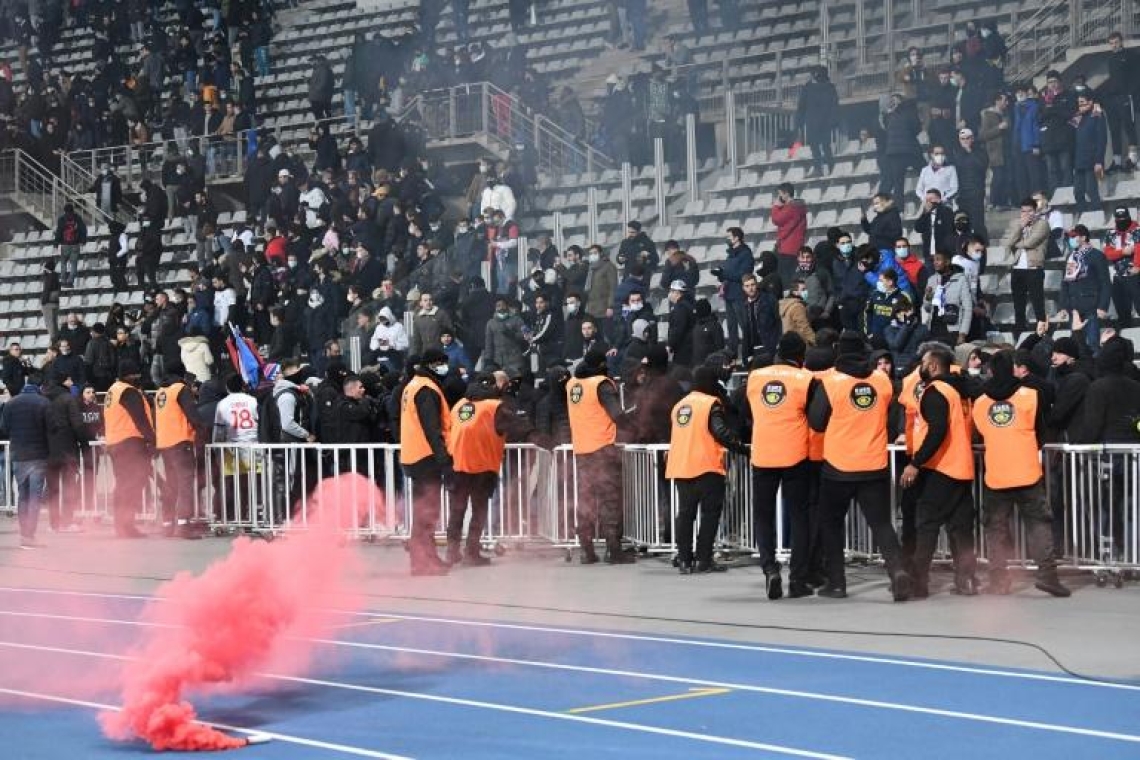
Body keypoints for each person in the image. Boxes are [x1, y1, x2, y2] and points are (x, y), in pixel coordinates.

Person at [808, 331, 913, 601]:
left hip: (838, 467)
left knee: (831, 524)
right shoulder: (882, 381)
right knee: (881, 525)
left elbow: (817, 422)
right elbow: (889, 413)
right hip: (874, 465)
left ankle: (837, 583)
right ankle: (898, 572)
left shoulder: (831, 382)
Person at [972, 351, 1070, 597]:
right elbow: (1041, 432)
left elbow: (983, 432)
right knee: (1038, 525)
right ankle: (1047, 576)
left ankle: (999, 581)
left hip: (996, 473)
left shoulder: (981, 402)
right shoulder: (1031, 396)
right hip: (1027, 472)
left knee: (996, 528)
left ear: (992, 371)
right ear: (1013, 369)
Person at [899, 347, 978, 597]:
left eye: (923, 362)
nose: (919, 366)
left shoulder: (935, 392)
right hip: (962, 468)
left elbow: (937, 431)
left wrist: (916, 462)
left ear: (933, 366)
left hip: (941, 468)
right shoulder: (960, 390)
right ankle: (967, 579)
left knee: (926, 525)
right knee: (961, 527)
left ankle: (918, 582)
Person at [746, 332, 819, 598]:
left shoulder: (755, 377)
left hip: (763, 454)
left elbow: (744, 410)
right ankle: (798, 579)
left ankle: (770, 569)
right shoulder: (806, 379)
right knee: (799, 517)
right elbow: (818, 416)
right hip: (795, 455)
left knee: (763, 516)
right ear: (801, 356)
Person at [667, 365, 748, 574]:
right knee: (710, 514)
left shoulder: (679, 405)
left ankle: (684, 559)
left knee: (685, 515)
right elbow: (720, 431)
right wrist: (741, 448)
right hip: (706, 466)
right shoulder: (710, 404)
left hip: (681, 467)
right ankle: (704, 559)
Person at [566, 347, 632, 564]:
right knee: (609, 500)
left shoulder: (573, 385)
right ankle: (614, 550)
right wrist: (633, 424)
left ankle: (586, 551)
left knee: (585, 500)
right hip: (603, 448)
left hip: (582, 449)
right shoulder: (601, 384)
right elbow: (616, 414)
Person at [399, 350, 454, 575]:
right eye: (441, 363)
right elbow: (432, 429)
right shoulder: (426, 390)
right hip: (426, 457)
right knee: (427, 511)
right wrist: (445, 461)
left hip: (414, 455)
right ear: (432, 364)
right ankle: (423, 561)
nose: (444, 367)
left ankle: (426, 557)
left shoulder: (413, 385)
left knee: (424, 510)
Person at [0, 370, 50, 548]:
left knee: (23, 496)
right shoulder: (44, 403)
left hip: (18, 456)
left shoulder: (11, 403)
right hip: (38, 455)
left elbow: (4, 429)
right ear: (40, 386)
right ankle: (30, 536)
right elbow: (50, 430)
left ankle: (24, 535)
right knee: (35, 497)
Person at [104, 362, 154, 538]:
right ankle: (126, 526)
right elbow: (140, 419)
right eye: (136, 376)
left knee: (123, 485)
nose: (139, 379)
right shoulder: (128, 391)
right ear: (130, 375)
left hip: (115, 442)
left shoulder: (113, 389)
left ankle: (122, 525)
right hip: (129, 443)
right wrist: (152, 440)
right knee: (131, 485)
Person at [155, 373, 207, 538]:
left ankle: (167, 524)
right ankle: (184, 524)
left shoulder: (160, 392)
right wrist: (202, 433)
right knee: (185, 484)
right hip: (180, 442)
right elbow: (193, 415)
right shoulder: (180, 390)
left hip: (164, 443)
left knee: (171, 485)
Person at [1058, 225, 1111, 352]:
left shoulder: (1097, 256)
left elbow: (1105, 283)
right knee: (1075, 345)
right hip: (1074, 307)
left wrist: (1103, 306)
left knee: (1092, 344)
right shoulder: (1070, 257)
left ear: (1083, 237)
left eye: (1073, 237)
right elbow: (1065, 283)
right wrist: (1063, 306)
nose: (1070, 239)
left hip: (1091, 307)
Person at [1002, 198, 1051, 334]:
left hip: (1033, 269)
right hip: (1017, 269)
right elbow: (1007, 243)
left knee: (1037, 304)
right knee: (1018, 305)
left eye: (1029, 211)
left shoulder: (1042, 224)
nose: (1026, 214)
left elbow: (1030, 243)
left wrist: (1016, 242)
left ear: (1035, 211)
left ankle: (1042, 334)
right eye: (1023, 211)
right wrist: (1020, 227)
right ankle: (1020, 333)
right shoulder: (1016, 224)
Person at [712, 227, 755, 362]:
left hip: (739, 294)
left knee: (744, 324)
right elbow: (729, 273)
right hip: (729, 294)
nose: (727, 239)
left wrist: (724, 274)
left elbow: (743, 275)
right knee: (731, 327)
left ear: (737, 238)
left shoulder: (746, 254)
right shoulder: (731, 254)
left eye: (729, 236)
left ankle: (749, 352)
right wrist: (720, 275)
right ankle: (732, 354)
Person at [922, 251, 974, 346]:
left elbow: (968, 308)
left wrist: (963, 333)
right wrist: (928, 298)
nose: (935, 262)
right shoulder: (931, 280)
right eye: (934, 260)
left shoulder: (961, 279)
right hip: (934, 329)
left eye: (938, 259)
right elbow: (927, 308)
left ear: (947, 262)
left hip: (952, 330)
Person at [796, 66, 839, 177]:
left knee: (824, 146)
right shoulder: (809, 87)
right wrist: (799, 122)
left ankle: (829, 168)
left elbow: (834, 106)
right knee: (818, 147)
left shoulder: (828, 88)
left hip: (821, 123)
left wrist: (833, 121)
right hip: (815, 123)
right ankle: (820, 169)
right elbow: (801, 107)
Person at [1102, 207, 1140, 329]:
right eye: (1119, 218)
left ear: (1128, 217)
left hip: (1135, 275)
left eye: (1124, 218)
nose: (1122, 220)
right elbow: (1108, 253)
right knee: (1122, 311)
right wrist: (1123, 252)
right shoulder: (1110, 233)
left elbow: (1139, 249)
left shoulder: (1137, 230)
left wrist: (1138, 266)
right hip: (1118, 276)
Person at [1072, 92, 1108, 212]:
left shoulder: (1097, 115)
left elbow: (1101, 140)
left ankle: (1096, 217)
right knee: (1078, 192)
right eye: (1078, 103)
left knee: (1091, 190)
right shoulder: (1078, 118)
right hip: (1079, 162)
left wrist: (1099, 161)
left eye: (1082, 102)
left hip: (1093, 161)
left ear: (1090, 102)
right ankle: (1084, 218)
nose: (1080, 105)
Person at [952, 128, 989, 241]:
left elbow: (982, 166)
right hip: (962, 192)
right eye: (962, 139)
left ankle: (982, 242)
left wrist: (970, 152)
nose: (965, 141)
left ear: (972, 138)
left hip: (976, 191)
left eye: (967, 138)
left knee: (977, 221)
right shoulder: (956, 153)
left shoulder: (980, 151)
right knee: (964, 220)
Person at [771, 184, 807, 288]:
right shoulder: (799, 207)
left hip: (787, 247)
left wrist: (776, 206)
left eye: (780, 194)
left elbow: (777, 219)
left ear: (786, 194)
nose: (779, 197)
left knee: (784, 277)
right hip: (795, 246)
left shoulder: (791, 207)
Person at [53, 203, 87, 288]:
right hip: (75, 245)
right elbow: (83, 230)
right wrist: (83, 241)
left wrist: (56, 244)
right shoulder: (77, 218)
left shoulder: (61, 219)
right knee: (74, 264)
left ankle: (63, 280)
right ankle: (70, 281)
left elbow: (59, 232)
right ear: (72, 210)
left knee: (63, 264)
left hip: (64, 245)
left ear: (64, 211)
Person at [41, 260, 61, 342]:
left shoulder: (49, 277)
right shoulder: (56, 276)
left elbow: (47, 289)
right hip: (55, 302)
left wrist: (43, 301)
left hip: (48, 302)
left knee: (49, 323)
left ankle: (53, 340)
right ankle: (56, 338)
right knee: (54, 322)